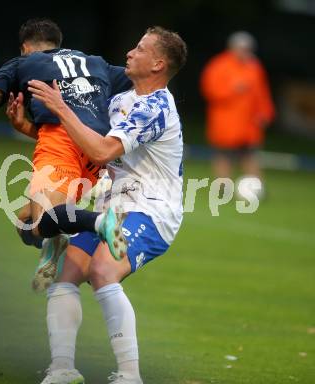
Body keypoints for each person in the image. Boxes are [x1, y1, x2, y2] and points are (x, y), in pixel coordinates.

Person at [24, 26, 187, 384]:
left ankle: (130, 376)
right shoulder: (119, 98)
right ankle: (63, 369)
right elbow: (84, 141)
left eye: (140, 49)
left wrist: (61, 107)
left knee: (102, 271)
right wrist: (29, 126)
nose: (130, 53)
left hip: (152, 211)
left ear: (158, 64)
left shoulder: (155, 108)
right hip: (110, 208)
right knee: (65, 278)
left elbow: (101, 151)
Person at [0, 18, 132, 290]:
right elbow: (139, 81)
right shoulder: (96, 63)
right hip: (95, 151)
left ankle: (101, 221)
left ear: (25, 47)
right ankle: (53, 244)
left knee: (44, 219)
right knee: (25, 221)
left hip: (60, 143)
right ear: (58, 44)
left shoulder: (24, 64)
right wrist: (24, 126)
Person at [200, 31, 275, 187]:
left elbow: (262, 93)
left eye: (248, 49)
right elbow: (209, 91)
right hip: (225, 125)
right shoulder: (218, 65)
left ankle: (256, 189)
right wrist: (232, 90)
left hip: (249, 124)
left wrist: (265, 113)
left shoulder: (255, 67)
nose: (245, 52)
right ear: (232, 48)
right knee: (224, 157)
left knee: (251, 157)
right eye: (241, 48)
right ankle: (222, 189)